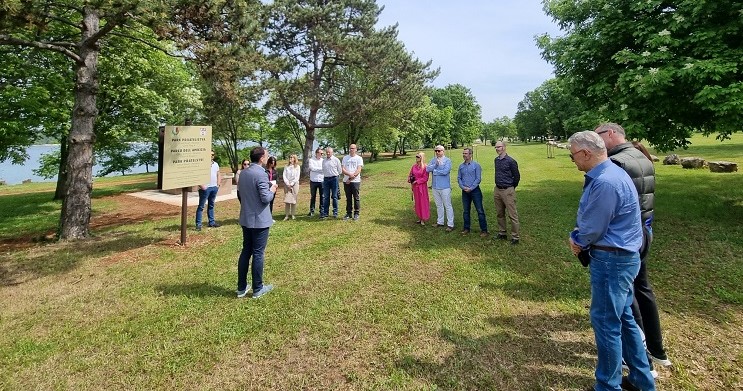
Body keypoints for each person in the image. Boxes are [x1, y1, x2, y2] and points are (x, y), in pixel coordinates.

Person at [567, 131, 656, 391]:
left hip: (611, 260)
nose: (573, 160)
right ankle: (642, 380)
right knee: (624, 317)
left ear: (585, 153)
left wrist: (577, 240)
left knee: (606, 323)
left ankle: (607, 385)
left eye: (573, 155)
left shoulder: (606, 181)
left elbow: (593, 228)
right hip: (622, 258)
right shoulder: (614, 174)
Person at [595, 123, 672, 370]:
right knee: (642, 289)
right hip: (644, 230)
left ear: (610, 134)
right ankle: (658, 349)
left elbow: (612, 205)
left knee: (627, 298)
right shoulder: (642, 157)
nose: (596, 142)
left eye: (598, 136)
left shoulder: (617, 163)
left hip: (625, 237)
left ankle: (641, 360)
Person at [236, 146, 278, 299]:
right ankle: (258, 288)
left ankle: (241, 288)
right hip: (259, 220)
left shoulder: (244, 173)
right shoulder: (260, 173)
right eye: (266, 155)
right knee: (258, 253)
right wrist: (272, 189)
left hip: (246, 218)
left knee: (246, 251)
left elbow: (241, 194)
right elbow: (265, 198)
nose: (267, 158)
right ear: (261, 158)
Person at [493, 141, 520, 245]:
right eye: (496, 147)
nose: (497, 149)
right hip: (497, 190)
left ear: (504, 147)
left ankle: (515, 237)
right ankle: (502, 233)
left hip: (508, 190)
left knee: (512, 214)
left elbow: (516, 176)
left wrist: (511, 187)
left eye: (498, 147)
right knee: (500, 213)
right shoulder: (496, 160)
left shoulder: (511, 161)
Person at [458, 147, 488, 237]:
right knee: (466, 211)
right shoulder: (461, 166)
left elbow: (478, 179)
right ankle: (466, 228)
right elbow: (459, 178)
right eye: (463, 153)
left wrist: (471, 188)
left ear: (471, 155)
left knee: (480, 210)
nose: (464, 155)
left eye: (466, 153)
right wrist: (463, 187)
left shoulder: (476, 165)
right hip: (465, 192)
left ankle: (484, 230)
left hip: (475, 191)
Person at [426, 145, 454, 231]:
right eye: (436, 151)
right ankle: (440, 222)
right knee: (439, 205)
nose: (437, 152)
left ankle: (450, 224)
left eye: (439, 151)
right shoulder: (433, 160)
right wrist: (435, 165)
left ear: (443, 151)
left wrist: (434, 171)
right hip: (435, 186)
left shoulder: (447, 161)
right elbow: (427, 169)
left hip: (445, 187)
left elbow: (445, 171)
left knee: (447, 205)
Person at [195, 150, 221, 231]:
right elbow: (197, 174)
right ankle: (198, 224)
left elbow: (218, 174)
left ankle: (211, 222)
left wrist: (218, 184)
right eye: (210, 155)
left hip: (214, 188)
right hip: (205, 189)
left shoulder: (215, 164)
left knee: (211, 205)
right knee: (201, 206)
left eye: (213, 155)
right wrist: (201, 185)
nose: (212, 156)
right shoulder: (202, 164)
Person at [341, 144, 364, 221]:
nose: (351, 149)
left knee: (356, 197)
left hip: (355, 181)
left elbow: (358, 170)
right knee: (348, 198)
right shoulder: (345, 158)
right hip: (346, 181)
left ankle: (356, 213)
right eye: (350, 148)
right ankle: (349, 213)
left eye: (353, 148)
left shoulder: (359, 158)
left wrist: (350, 179)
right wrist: (349, 175)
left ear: (356, 149)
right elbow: (343, 169)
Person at [408, 152, 430, 225]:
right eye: (416, 156)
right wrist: (410, 179)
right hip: (415, 187)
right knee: (417, 202)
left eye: (418, 156)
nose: (417, 158)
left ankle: (423, 218)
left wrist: (417, 181)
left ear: (422, 158)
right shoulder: (414, 166)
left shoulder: (425, 167)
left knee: (422, 202)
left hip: (422, 187)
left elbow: (425, 178)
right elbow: (411, 174)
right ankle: (419, 217)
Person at [320, 147, 343, 219]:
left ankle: (335, 212)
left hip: (334, 179)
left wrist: (336, 177)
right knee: (326, 197)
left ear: (332, 152)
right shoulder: (324, 161)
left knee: (334, 196)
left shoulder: (336, 160)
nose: (328, 153)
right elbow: (323, 170)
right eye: (327, 152)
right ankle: (326, 213)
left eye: (329, 152)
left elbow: (340, 171)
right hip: (326, 179)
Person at [282, 154, 301, 220]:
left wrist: (292, 183)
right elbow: (284, 175)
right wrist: (287, 183)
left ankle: (293, 214)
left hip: (295, 184)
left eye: (292, 157)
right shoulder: (286, 166)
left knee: (293, 199)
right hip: (287, 184)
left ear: (295, 159)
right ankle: (286, 215)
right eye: (290, 157)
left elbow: (297, 177)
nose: (290, 158)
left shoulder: (297, 167)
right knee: (287, 199)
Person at [308, 148, 324, 216]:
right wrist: (320, 170)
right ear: (317, 153)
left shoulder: (323, 160)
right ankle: (312, 211)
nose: (322, 155)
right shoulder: (311, 160)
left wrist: (318, 169)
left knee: (322, 196)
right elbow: (312, 168)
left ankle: (322, 210)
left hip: (322, 180)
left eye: (322, 153)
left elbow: (324, 169)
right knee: (313, 196)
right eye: (321, 153)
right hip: (313, 180)